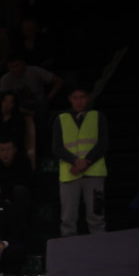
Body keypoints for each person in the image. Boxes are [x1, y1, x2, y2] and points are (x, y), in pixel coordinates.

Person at [52, 85, 109, 236]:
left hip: (94, 174)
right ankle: (70, 253)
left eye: (82, 97)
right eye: (75, 97)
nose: (79, 101)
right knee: (68, 218)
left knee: (96, 216)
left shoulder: (98, 116)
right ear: (70, 99)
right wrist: (75, 161)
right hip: (70, 174)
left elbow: (103, 144)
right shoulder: (61, 119)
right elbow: (57, 147)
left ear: (88, 98)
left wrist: (85, 161)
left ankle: (100, 248)